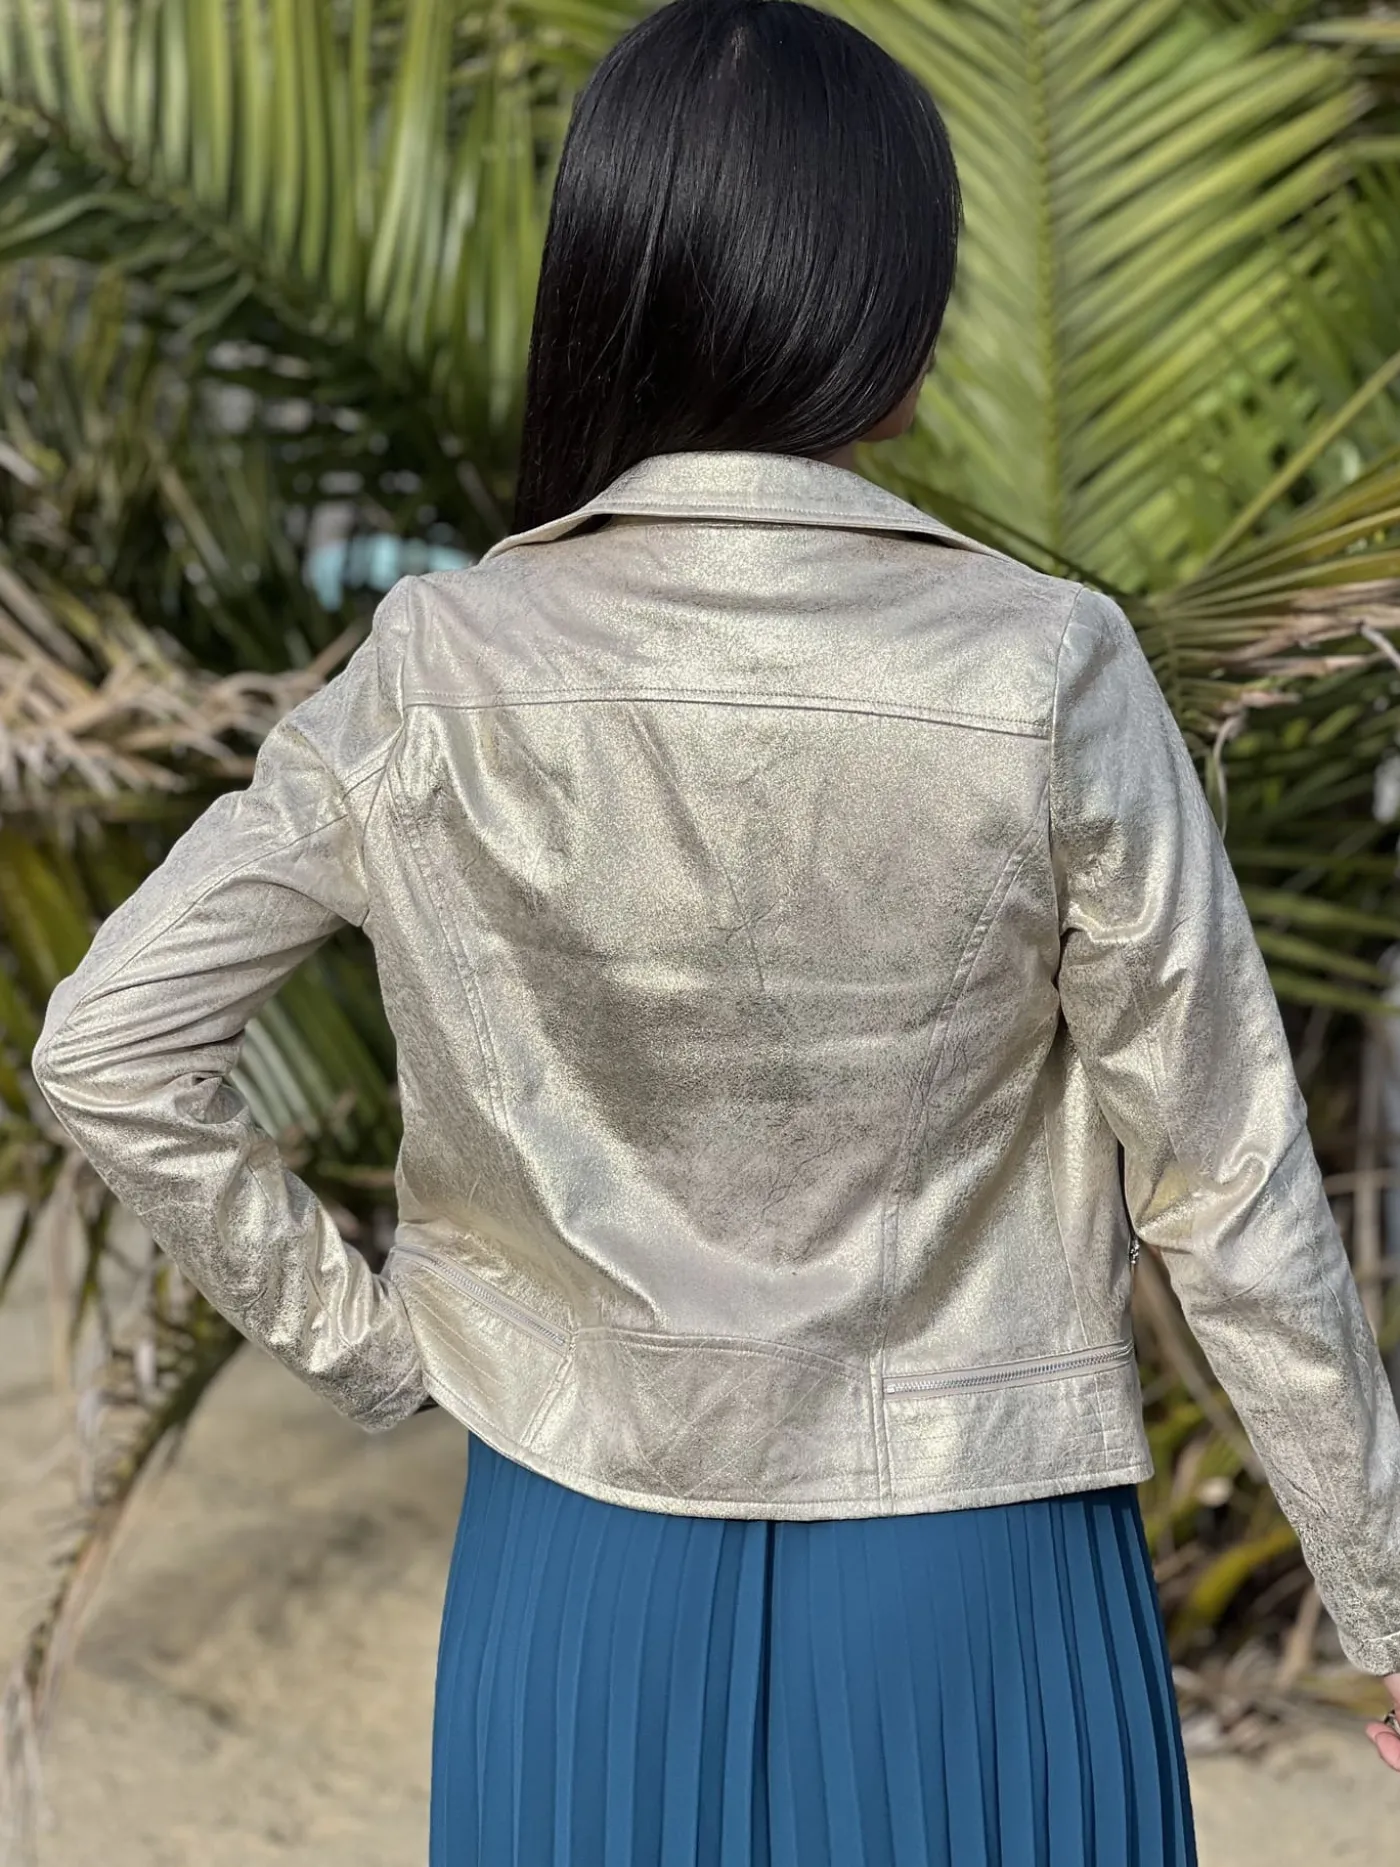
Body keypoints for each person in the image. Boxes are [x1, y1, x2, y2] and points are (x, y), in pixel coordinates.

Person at [29, 1, 1400, 1861]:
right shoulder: (1044, 669)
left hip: (575, 1559)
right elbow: (1227, 1182)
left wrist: (363, 1340)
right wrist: (1385, 1597)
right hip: (971, 1562)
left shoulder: (441, 666)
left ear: (619, 282)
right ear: (886, 310)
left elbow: (108, 1044)